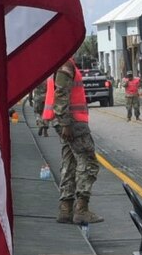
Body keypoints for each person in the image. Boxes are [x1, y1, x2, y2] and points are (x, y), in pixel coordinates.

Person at [42, 58, 104, 225]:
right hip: (73, 122)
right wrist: (66, 123)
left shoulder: (57, 63)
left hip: (65, 122)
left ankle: (65, 208)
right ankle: (81, 210)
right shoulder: (65, 65)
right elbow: (61, 94)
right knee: (88, 162)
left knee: (70, 163)